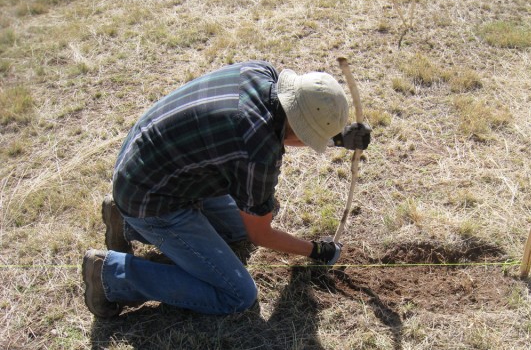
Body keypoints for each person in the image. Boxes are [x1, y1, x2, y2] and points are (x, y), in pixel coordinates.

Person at [82, 60, 371, 319]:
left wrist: (336, 138)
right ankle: (111, 276)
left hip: (146, 162)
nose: (306, 145)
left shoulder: (260, 73)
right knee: (237, 295)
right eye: (308, 139)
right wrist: (316, 251)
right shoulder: (257, 151)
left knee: (246, 220)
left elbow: (282, 130)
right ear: (297, 129)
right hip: (149, 196)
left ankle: (125, 224)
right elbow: (261, 235)